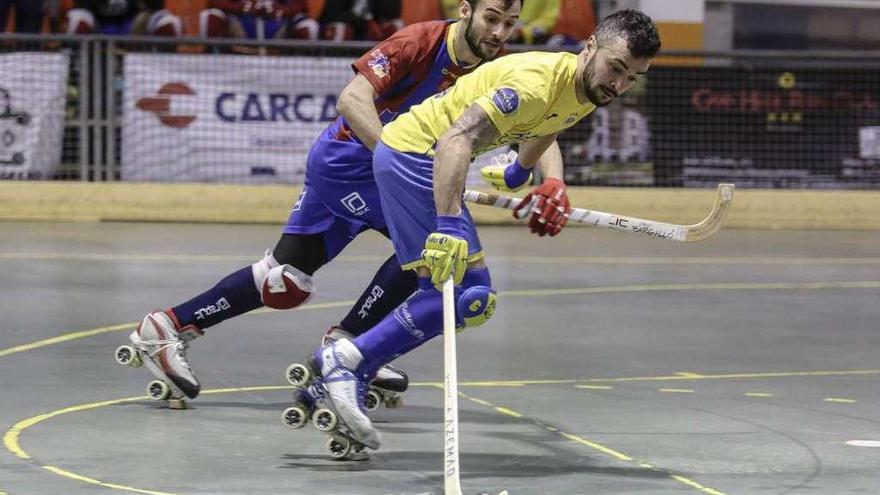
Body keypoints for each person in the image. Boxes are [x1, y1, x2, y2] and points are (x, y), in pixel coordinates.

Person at [122, 0, 523, 406]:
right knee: (427, 247)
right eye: (492, 19)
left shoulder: (499, 66)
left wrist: (550, 183)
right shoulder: (420, 42)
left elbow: (539, 121)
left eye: (510, 24)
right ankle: (350, 348)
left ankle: (168, 326)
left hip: (371, 166)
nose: (499, 33)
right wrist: (394, 157)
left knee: (283, 282)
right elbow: (351, 100)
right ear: (465, 10)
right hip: (349, 164)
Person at [307, 9, 661, 451]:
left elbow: (547, 127)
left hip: (417, 159)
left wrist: (528, 174)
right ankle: (348, 360)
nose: (620, 85)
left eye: (633, 77)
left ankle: (349, 369)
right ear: (589, 47)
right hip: (415, 157)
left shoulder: (588, 89)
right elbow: (458, 139)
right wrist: (450, 224)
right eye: (616, 69)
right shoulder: (534, 83)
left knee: (453, 297)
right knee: (465, 296)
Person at [199, 0, 319, 41]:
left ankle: (305, 68)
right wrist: (241, 8)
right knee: (210, 17)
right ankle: (213, 61)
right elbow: (214, 2)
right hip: (240, 25)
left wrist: (280, 11)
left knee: (308, 26)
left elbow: (302, 6)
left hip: (279, 26)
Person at [65, 0, 182, 36]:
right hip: (98, 29)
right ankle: (75, 80)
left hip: (134, 29)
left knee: (169, 23)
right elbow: (82, 11)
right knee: (76, 20)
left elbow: (157, 11)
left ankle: (161, 73)